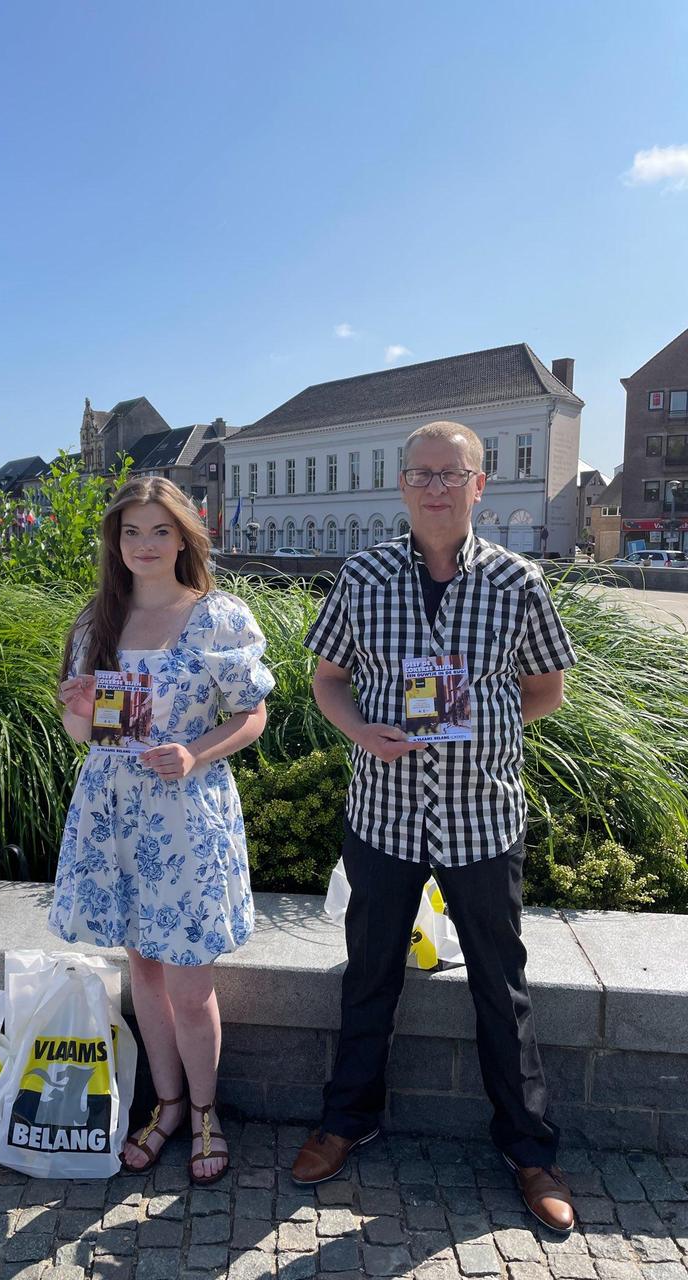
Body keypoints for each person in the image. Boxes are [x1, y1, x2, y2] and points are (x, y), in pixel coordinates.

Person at [291, 421, 578, 1234]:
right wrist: (360, 732)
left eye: (453, 474)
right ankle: (347, 1120)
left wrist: (488, 729)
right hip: (383, 813)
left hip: (482, 814)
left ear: (480, 485)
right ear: (403, 485)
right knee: (369, 973)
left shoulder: (518, 581)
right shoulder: (364, 574)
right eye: (422, 473)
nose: (437, 487)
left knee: (501, 986)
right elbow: (328, 680)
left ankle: (528, 1148)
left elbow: (547, 689)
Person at [51, 476, 273, 1185]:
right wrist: (78, 707)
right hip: (112, 808)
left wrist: (195, 752)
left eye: (158, 530)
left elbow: (253, 715)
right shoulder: (98, 621)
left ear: (183, 536)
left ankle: (207, 1111)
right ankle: (168, 1103)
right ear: (115, 543)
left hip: (184, 812)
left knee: (188, 980)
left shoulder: (217, 617)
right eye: (130, 532)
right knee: (141, 968)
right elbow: (82, 734)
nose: (144, 545)